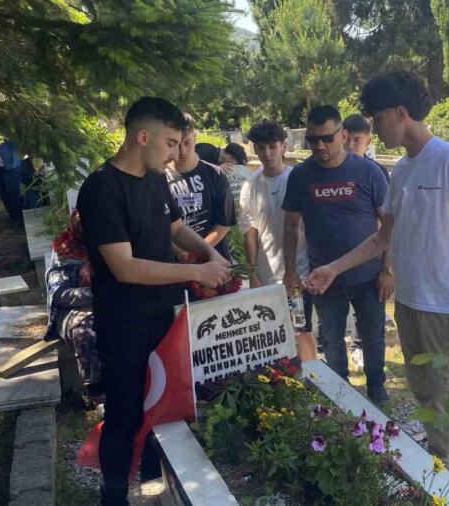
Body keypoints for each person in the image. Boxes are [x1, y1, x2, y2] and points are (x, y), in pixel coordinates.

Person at [306, 71, 449, 464]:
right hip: (408, 305)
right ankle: (442, 466)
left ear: (400, 113)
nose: (374, 127)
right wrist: (334, 268)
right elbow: (382, 238)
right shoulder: (403, 169)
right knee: (425, 394)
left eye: (377, 119)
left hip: (447, 307)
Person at [76, 97, 230, 506]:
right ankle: (113, 494)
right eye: (170, 143)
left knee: (166, 403)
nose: (175, 154)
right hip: (125, 322)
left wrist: (209, 253)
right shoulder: (101, 188)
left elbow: (176, 228)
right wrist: (196, 273)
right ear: (142, 137)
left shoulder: (156, 177)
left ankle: (155, 481)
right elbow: (125, 267)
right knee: (125, 410)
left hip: (166, 314)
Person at [282, 105, 391, 405]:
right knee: (331, 339)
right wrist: (290, 271)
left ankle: (377, 390)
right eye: (312, 139)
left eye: (327, 138)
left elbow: (388, 225)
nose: (320, 146)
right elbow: (290, 225)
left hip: (368, 275)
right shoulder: (301, 176)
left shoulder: (369, 171)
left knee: (373, 337)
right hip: (323, 279)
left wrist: (387, 270)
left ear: (342, 135)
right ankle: (340, 393)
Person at [239, 120, 317, 359]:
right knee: (271, 333)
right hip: (266, 274)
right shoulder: (250, 186)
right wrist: (252, 272)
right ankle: (282, 377)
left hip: (298, 272)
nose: (267, 153)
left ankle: (312, 374)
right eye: (261, 147)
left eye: (272, 146)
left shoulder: (298, 179)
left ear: (284, 146)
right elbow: (250, 232)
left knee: (301, 330)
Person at [343, 113, 391, 369]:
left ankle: (363, 351)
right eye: (347, 139)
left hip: (371, 259)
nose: (351, 145)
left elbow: (388, 224)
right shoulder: (331, 170)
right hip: (337, 260)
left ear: (368, 141)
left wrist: (386, 268)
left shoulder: (377, 172)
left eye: (357, 140)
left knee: (371, 320)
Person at [45, 211, 102, 402]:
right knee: (87, 332)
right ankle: (98, 391)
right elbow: (60, 295)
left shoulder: (113, 246)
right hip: (74, 309)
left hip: (110, 303)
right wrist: (97, 293)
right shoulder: (64, 250)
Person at [165, 113, 236, 268]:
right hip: (176, 265)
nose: (182, 151)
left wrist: (200, 252)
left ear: (195, 138)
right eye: (176, 144)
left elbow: (224, 223)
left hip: (215, 260)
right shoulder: (158, 179)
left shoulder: (215, 174)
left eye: (187, 143)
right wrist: (181, 254)